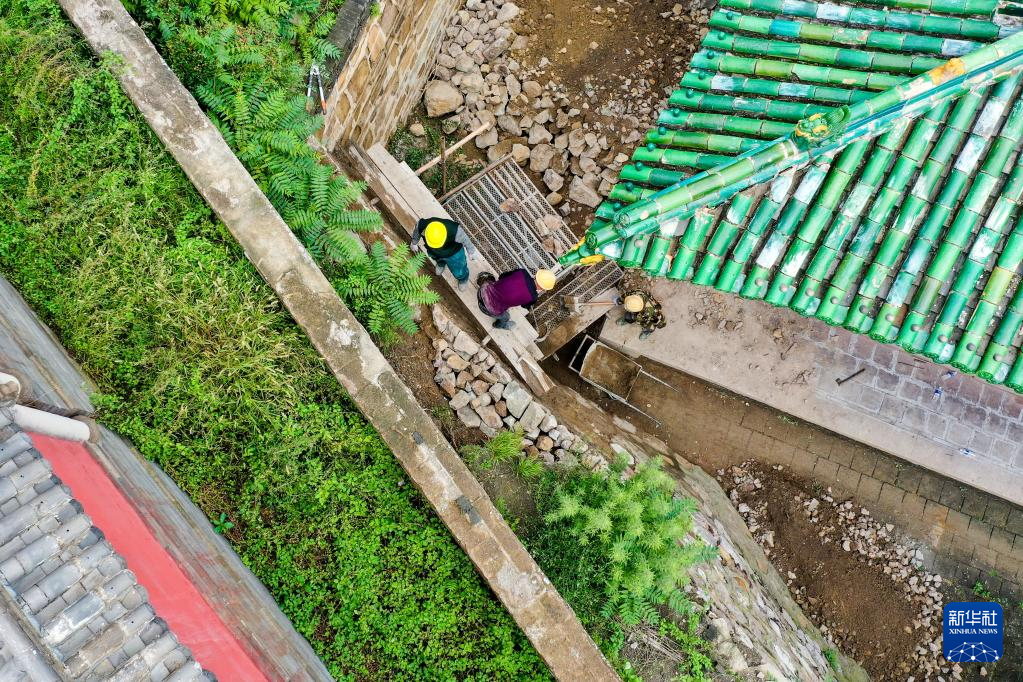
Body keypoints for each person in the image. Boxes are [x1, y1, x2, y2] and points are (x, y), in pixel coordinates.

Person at [410, 217, 477, 291]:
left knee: (459, 269)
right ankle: (441, 264)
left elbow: (465, 238)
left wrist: (471, 251)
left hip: (454, 253)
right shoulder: (423, 225)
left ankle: (463, 278)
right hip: (434, 252)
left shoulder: (454, 230)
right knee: (436, 258)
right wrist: (414, 242)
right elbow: (417, 229)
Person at [478, 268, 556, 329]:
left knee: (493, 283)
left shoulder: (522, 272)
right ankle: (499, 326)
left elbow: (502, 276)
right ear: (542, 288)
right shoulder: (533, 297)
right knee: (506, 317)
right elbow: (524, 306)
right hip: (487, 308)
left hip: (482, 291)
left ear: (536, 275)